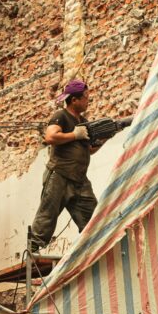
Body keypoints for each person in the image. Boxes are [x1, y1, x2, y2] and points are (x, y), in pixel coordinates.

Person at [29, 79, 102, 253]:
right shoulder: (61, 116)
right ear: (74, 100)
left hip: (79, 179)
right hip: (59, 175)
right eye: (85, 97)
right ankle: (32, 251)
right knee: (47, 216)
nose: (88, 100)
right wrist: (75, 134)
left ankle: (91, 252)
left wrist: (104, 139)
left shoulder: (83, 121)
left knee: (93, 220)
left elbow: (89, 150)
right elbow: (50, 137)